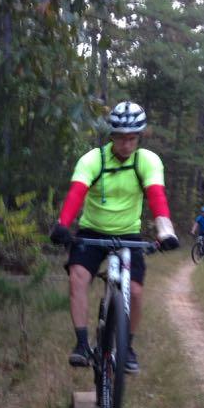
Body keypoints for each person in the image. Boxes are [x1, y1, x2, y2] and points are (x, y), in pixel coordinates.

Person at [50, 101, 179, 373]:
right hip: (91, 232)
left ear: (139, 137)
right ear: (112, 136)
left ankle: (128, 347)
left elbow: (156, 195)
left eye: (132, 138)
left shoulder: (147, 161)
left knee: (135, 291)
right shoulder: (92, 160)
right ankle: (83, 345)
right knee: (78, 277)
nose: (126, 145)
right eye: (121, 138)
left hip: (128, 235)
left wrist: (165, 231)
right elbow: (76, 193)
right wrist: (63, 224)